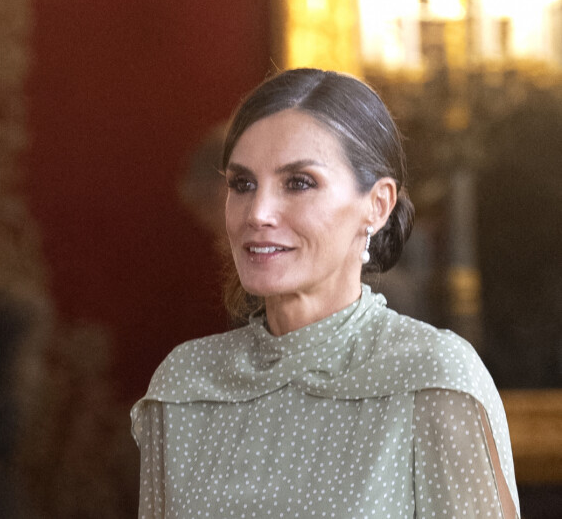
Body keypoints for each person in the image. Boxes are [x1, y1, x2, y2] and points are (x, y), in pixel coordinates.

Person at [131, 68, 519, 518]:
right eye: (242, 184)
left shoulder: (433, 377)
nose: (257, 212)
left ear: (377, 205)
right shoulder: (185, 384)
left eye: (299, 183)